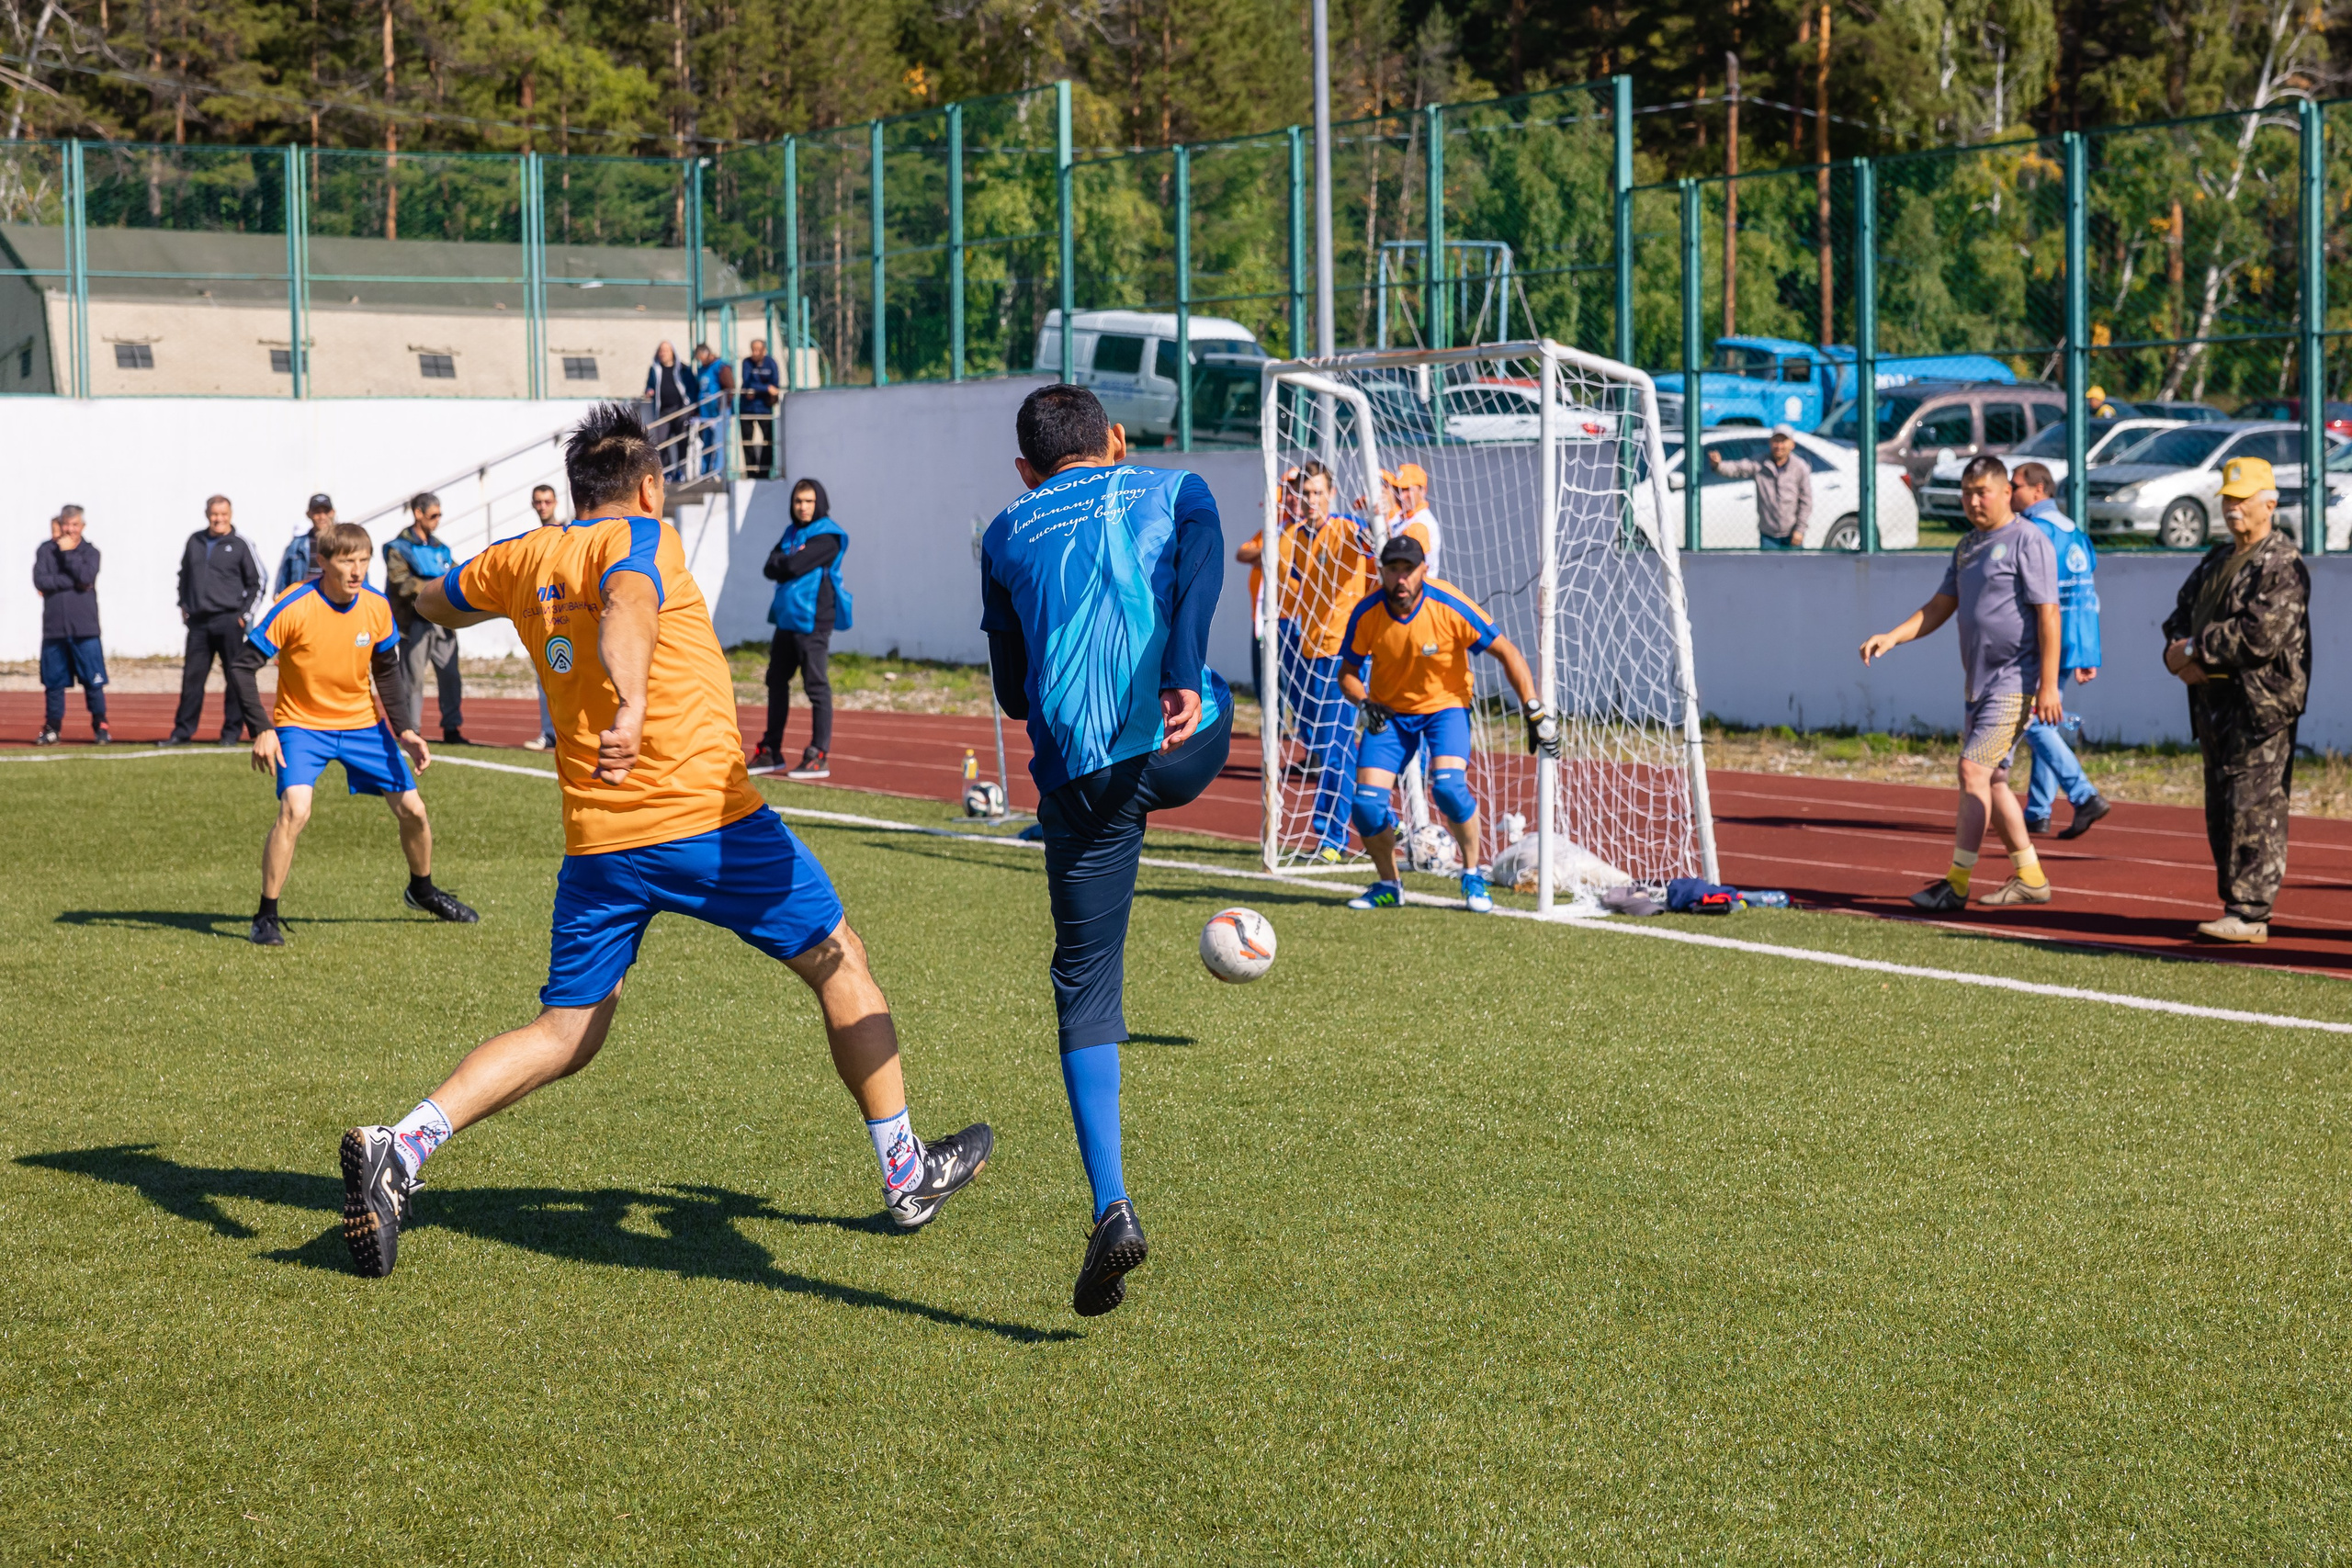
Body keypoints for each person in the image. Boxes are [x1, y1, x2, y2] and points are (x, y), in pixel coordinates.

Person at [339, 402, 989, 1279]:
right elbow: (629, 604)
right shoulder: (644, 539)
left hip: (599, 842)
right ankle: (907, 1173)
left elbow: (435, 599)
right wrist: (634, 701)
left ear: (576, 489)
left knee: (568, 1029)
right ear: (648, 487)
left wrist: (405, 598)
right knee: (842, 959)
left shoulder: (521, 558)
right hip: (707, 823)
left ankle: (403, 1143)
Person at [979, 383, 1227, 1317]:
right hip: (1181, 745)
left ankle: (1111, 1203)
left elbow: (1012, 694)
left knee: (1085, 990)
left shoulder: (1004, 531)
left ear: (1025, 469)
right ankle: (1194, 706)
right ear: (1115, 439)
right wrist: (1181, 675)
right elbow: (1201, 570)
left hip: (1079, 784)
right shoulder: (1177, 488)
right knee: (1210, 693)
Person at [241, 522, 478, 948]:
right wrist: (263, 729)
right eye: (347, 561)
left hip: (362, 725)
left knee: (414, 811)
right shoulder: (293, 605)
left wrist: (406, 730)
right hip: (301, 726)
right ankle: (266, 915)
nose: (357, 570)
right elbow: (243, 665)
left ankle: (422, 891)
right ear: (323, 561)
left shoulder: (376, 606)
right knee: (295, 810)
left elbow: (386, 671)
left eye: (364, 560)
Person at [1860, 456, 2064, 910]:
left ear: (2006, 492)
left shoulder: (2028, 540)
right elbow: (1940, 606)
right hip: (1979, 685)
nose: (1973, 501)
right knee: (1993, 782)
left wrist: (2048, 685)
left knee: (1972, 771)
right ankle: (2031, 878)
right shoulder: (1967, 546)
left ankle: (1956, 883)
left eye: (1982, 492)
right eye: (1967, 493)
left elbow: (2049, 614)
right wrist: (1892, 636)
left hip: (2015, 682)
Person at [1338, 533, 1558, 914]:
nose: (1401, 578)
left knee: (1449, 790)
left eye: (1409, 569)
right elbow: (1347, 673)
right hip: (1389, 715)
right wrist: (1364, 702)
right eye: (1393, 569)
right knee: (1366, 807)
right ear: (1382, 571)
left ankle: (1472, 875)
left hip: (1446, 709)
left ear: (1424, 570)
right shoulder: (1367, 612)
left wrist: (1533, 708)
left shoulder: (1448, 604)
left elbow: (1506, 651)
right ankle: (1389, 884)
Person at [2162, 455, 2312, 944]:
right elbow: (2179, 617)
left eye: (2243, 500)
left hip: (2260, 706)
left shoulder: (2282, 563)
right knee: (2222, 809)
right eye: (2228, 499)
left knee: (2255, 806)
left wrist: (2192, 650)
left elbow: (2259, 635)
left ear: (2270, 503)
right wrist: (2179, 652)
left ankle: (2250, 912)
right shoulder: (2216, 559)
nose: (2232, 509)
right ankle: (2235, 905)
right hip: (2212, 702)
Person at [1279, 463, 1374, 859]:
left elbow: (1373, 540)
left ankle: (1332, 838)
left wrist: (1378, 515)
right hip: (1307, 650)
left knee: (1334, 746)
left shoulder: (1347, 529)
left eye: (1318, 493)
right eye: (1305, 494)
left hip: (1344, 654)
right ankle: (1383, 817)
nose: (1311, 500)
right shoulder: (1293, 536)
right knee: (1323, 743)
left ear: (1331, 495)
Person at [2010, 461, 2109, 839]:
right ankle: (2038, 810)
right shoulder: (2074, 532)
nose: (2010, 492)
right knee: (2048, 719)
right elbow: (2087, 597)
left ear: (2038, 489)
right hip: (2072, 639)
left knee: (2031, 720)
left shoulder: (2033, 532)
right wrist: (2087, 652)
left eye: (2015, 485)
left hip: (2043, 641)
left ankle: (2083, 794)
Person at [752, 478, 847, 780]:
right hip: (786, 618)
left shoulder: (829, 536)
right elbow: (769, 567)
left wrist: (785, 562)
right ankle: (771, 750)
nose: (803, 507)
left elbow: (790, 566)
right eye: (798, 501)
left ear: (819, 502)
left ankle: (819, 754)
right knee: (776, 680)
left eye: (808, 501)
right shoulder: (791, 533)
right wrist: (786, 562)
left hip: (814, 619)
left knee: (816, 686)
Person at [168, 494, 266, 746]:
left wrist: (245, 615)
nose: (218, 519)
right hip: (199, 623)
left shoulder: (241, 544)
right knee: (192, 679)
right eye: (214, 514)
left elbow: (258, 581)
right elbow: (183, 575)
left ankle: (231, 733)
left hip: (229, 621)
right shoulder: (195, 540)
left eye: (223, 514)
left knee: (234, 677)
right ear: (207, 515)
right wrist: (184, 604)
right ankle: (182, 732)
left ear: (230, 515)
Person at [383, 491, 468, 745]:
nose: (437, 520)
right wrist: (436, 590)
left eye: (440, 515)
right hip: (414, 621)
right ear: (418, 514)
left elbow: (457, 574)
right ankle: (412, 730)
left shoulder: (441, 548)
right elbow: (401, 582)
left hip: (443, 621)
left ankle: (452, 728)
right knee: (413, 680)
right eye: (433, 515)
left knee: (451, 676)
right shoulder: (398, 548)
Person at [33, 504, 108, 746]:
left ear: (82, 526)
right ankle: (53, 728)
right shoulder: (46, 550)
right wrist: (72, 582)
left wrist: (68, 555)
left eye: (75, 525)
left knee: (93, 681)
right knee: (53, 683)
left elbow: (86, 577)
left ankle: (100, 726)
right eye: (66, 524)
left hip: (85, 630)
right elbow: (40, 580)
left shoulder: (91, 552)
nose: (70, 529)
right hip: (54, 630)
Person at [1707, 424, 1813, 549]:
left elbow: (1806, 501)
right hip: (1768, 536)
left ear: (1792, 444)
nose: (1779, 446)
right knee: (1767, 563)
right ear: (1770, 442)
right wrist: (1718, 465)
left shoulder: (1800, 467)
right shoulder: (1760, 463)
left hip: (1792, 534)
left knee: (1794, 562)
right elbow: (1738, 468)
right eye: (1776, 441)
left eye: (1783, 441)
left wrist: (1800, 530)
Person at [523, 483, 565, 751]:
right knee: (543, 678)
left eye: (547, 502)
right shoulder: (531, 540)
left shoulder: (567, 533)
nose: (542, 507)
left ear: (556, 502)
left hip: (567, 614)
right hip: (542, 617)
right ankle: (549, 733)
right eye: (538, 502)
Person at [644, 341, 697, 481]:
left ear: (672, 352)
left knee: (682, 441)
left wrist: (692, 406)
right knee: (662, 441)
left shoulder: (683, 369)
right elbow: (649, 385)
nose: (663, 354)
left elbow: (692, 387)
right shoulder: (655, 369)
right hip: (663, 411)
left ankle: (681, 472)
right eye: (661, 351)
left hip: (681, 410)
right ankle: (667, 472)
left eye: (666, 351)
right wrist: (649, 391)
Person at [1383, 461, 1441, 571]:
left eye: (1407, 490)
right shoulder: (1403, 515)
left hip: (1413, 582)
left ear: (1423, 490)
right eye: (1397, 489)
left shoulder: (1420, 525)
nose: (1401, 496)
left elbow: (1400, 562)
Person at [276, 493, 337, 596]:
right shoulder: (296, 546)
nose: (322, 517)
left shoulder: (343, 544)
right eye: (317, 512)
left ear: (332, 513)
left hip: (334, 601)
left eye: (326, 512)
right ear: (308, 514)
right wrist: (280, 597)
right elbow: (283, 579)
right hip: (304, 599)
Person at [739, 338, 780, 479]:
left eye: (758, 350)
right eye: (753, 350)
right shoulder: (747, 363)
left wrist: (760, 390)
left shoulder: (771, 363)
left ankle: (764, 471)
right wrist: (766, 388)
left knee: (768, 440)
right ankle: (751, 472)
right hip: (747, 408)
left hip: (764, 409)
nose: (755, 353)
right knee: (747, 441)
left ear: (764, 350)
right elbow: (748, 383)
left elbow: (775, 384)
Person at [692, 344, 733, 477]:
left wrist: (722, 406)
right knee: (706, 443)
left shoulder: (721, 367)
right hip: (705, 413)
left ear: (707, 353)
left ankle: (718, 473)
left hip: (719, 412)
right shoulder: (702, 370)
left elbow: (730, 388)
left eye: (701, 357)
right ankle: (705, 472)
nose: (700, 360)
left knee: (720, 443)